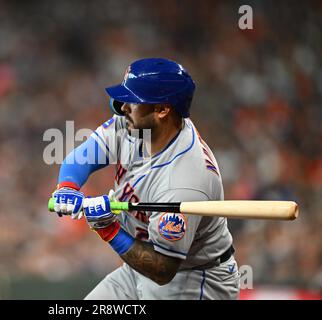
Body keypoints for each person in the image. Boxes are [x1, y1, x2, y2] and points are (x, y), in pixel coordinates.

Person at [51, 58, 240, 299]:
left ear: (162, 110)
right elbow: (82, 157)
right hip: (136, 267)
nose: (123, 107)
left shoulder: (184, 179)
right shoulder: (134, 124)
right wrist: (68, 186)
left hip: (192, 280)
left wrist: (108, 229)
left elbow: (162, 269)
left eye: (134, 100)